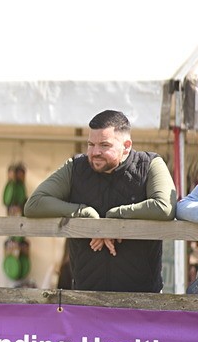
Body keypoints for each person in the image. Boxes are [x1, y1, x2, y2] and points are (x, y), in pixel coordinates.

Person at [24, 110, 175, 292]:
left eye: (104, 145)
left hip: (142, 300)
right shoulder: (75, 168)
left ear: (126, 146)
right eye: (90, 144)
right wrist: (84, 213)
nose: (95, 152)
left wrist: (115, 218)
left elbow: (165, 207)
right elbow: (34, 204)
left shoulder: (150, 164)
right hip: (85, 297)